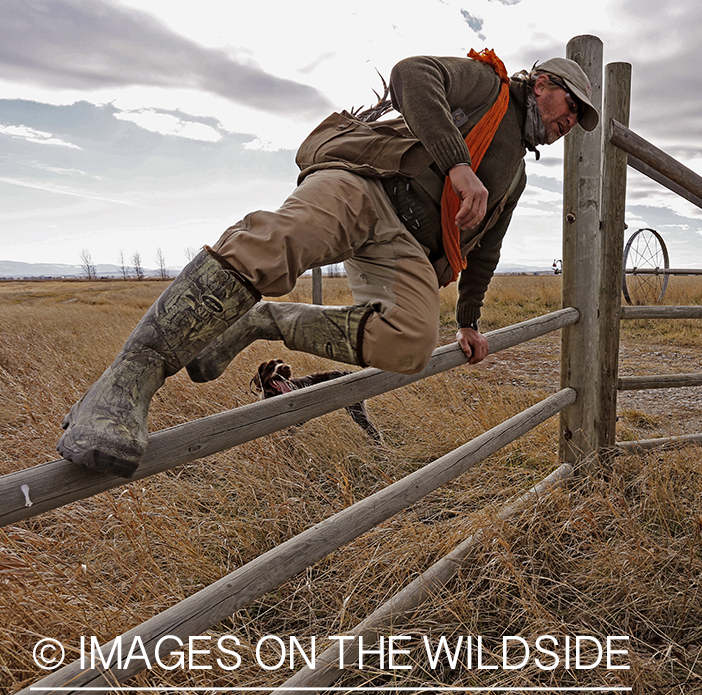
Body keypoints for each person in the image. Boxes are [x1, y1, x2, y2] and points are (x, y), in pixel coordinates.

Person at [56, 50, 599, 478]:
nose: (569, 122)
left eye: (578, 118)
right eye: (570, 106)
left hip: (408, 247)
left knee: (409, 343)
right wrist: (457, 164)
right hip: (367, 183)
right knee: (278, 241)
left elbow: (487, 247)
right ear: (543, 85)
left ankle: (263, 322)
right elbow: (413, 74)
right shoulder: (491, 85)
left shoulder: (517, 175)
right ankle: (129, 380)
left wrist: (469, 321)